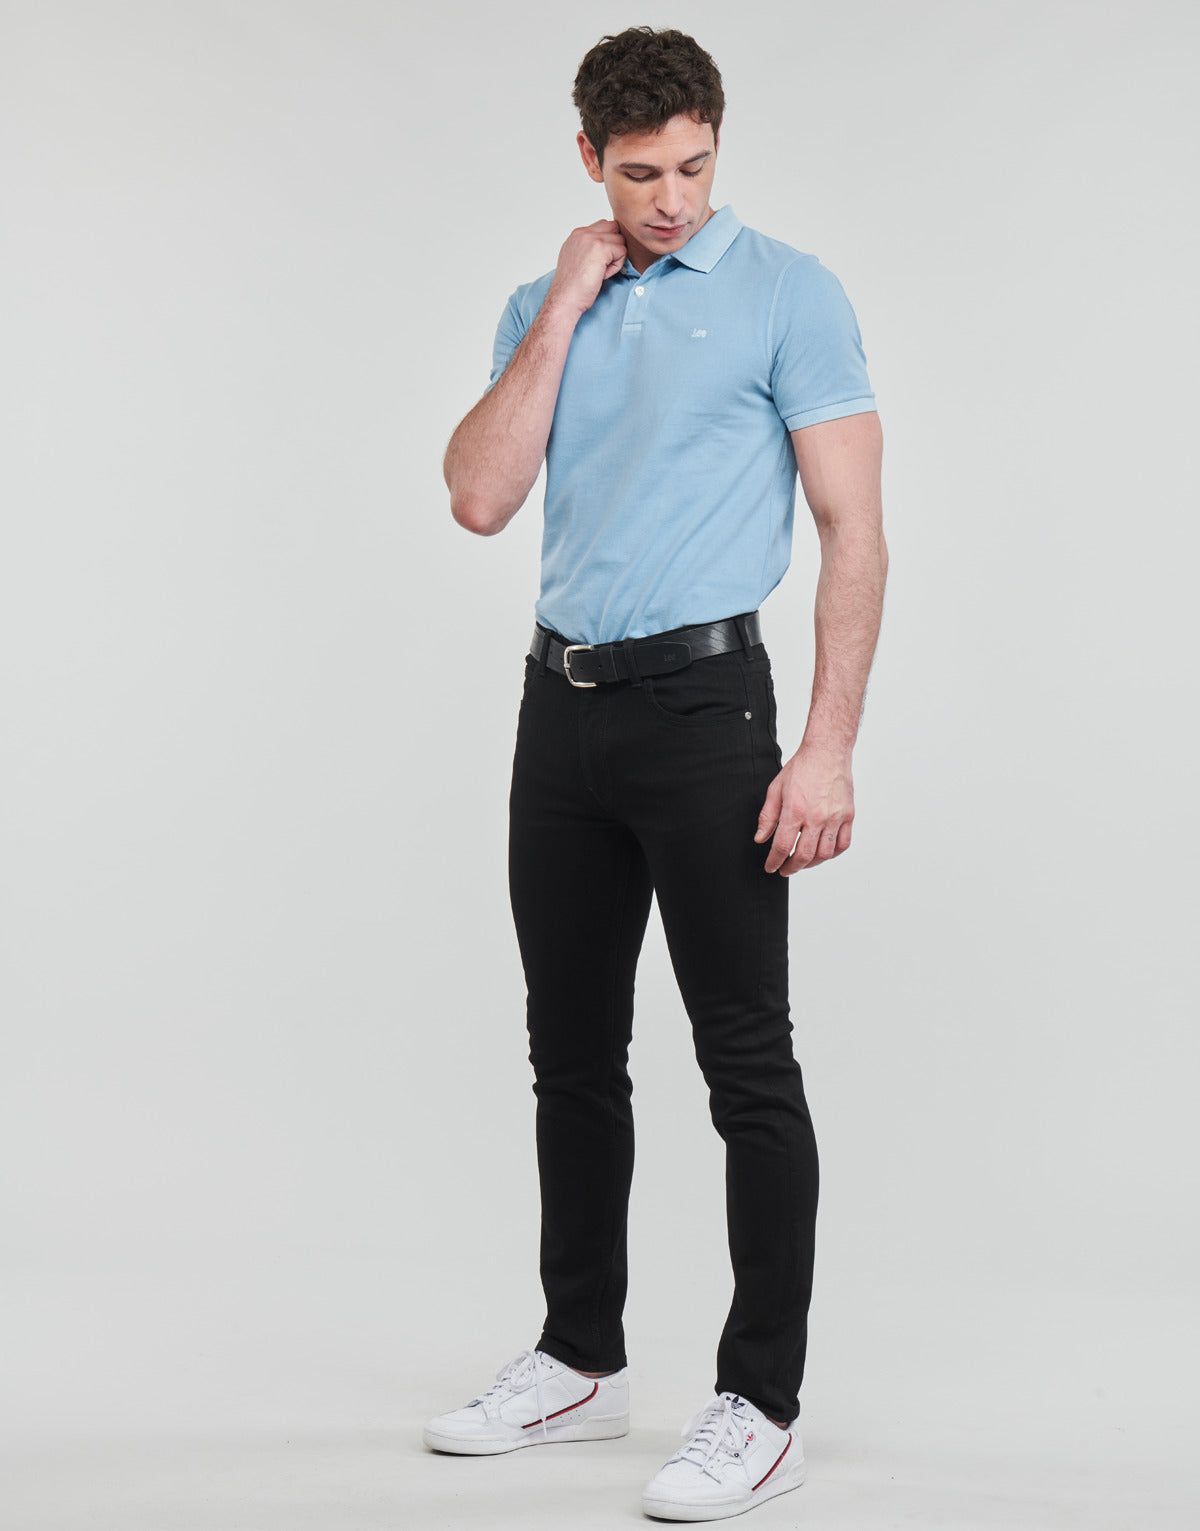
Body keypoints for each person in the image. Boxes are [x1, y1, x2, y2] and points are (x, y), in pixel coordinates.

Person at [424, 24, 887, 1522]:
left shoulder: (789, 292)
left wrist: (826, 748)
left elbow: (855, 531)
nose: (674, 200)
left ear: (716, 146)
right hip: (559, 711)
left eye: (694, 167)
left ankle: (761, 1405)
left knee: (747, 1062)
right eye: (641, 175)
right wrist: (567, 302)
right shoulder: (543, 301)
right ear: (589, 160)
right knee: (570, 1052)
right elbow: (480, 498)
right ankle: (580, 1358)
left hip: (706, 711)